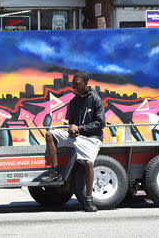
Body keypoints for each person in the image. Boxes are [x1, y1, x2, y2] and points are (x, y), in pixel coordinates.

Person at [41, 71, 105, 212]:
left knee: (88, 164)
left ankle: (89, 200)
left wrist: (80, 129)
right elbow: (71, 123)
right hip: (77, 137)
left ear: (85, 83)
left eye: (77, 83)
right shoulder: (73, 102)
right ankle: (55, 171)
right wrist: (71, 129)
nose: (74, 86)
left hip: (92, 138)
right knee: (50, 134)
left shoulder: (95, 99)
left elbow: (101, 123)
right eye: (73, 83)